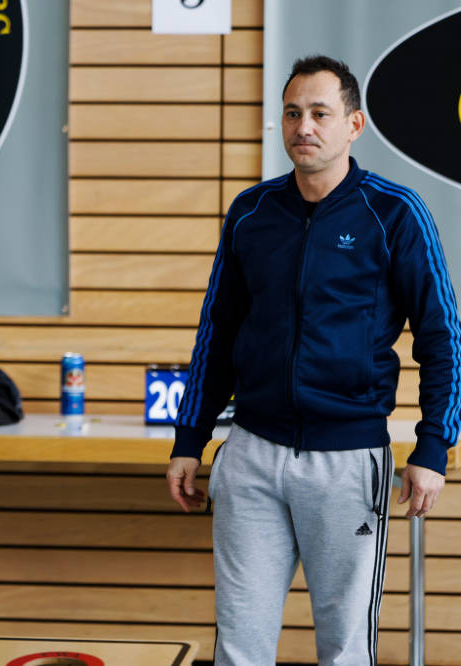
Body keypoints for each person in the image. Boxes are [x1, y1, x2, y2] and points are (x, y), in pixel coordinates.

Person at [166, 55, 461, 665]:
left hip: (348, 460)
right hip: (251, 455)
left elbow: (443, 337)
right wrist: (189, 439)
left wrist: (433, 446)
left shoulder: (395, 213)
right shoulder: (251, 212)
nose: (304, 126)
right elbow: (217, 332)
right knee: (238, 644)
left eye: (320, 113)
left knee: (345, 648)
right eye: (293, 113)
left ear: (353, 124)